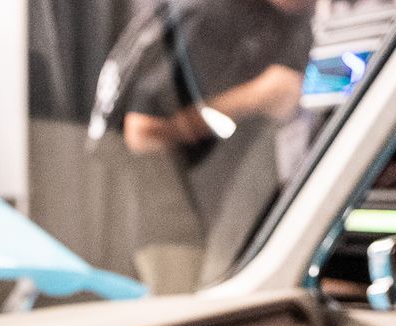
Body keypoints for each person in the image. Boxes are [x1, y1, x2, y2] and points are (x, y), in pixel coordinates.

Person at [90, 0, 319, 291]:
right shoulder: (210, 14)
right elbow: (143, 132)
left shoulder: (294, 24)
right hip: (175, 227)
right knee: (184, 324)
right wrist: (256, 97)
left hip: (241, 218)